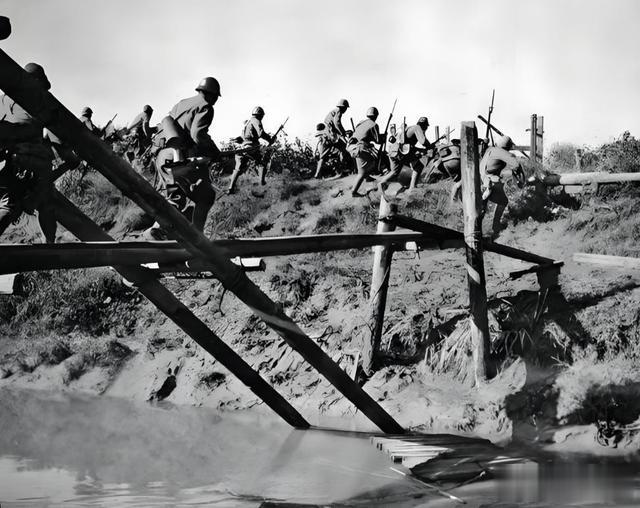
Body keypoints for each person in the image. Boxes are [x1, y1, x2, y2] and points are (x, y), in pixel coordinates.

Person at [147, 76, 221, 236]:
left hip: (163, 157)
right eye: (216, 97)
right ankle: (197, 238)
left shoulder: (182, 103)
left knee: (174, 196)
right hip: (178, 159)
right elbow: (198, 135)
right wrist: (214, 151)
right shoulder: (206, 106)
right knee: (206, 197)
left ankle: (157, 230)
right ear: (212, 94)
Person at [0, 63, 56, 243]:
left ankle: (50, 244)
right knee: (13, 204)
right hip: (23, 160)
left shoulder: (3, 99)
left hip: (4, 158)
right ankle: (50, 246)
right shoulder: (38, 100)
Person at [480, 135, 523, 239]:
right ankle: (495, 226)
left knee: (481, 207)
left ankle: (478, 230)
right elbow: (516, 165)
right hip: (488, 182)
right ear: (508, 146)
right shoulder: (503, 152)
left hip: (480, 180)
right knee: (503, 200)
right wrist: (519, 177)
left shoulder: (490, 149)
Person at [377, 116, 432, 192]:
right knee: (418, 166)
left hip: (393, 151)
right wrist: (430, 147)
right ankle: (412, 188)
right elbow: (423, 141)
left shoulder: (410, 128)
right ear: (425, 126)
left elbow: (409, 146)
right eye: (426, 126)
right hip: (401, 151)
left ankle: (381, 183)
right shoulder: (417, 128)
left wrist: (421, 150)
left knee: (394, 172)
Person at [227, 106, 274, 194]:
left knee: (238, 168)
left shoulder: (248, 122)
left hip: (242, 148)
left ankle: (230, 188)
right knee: (262, 162)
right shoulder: (256, 120)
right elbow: (261, 133)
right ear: (260, 115)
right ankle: (262, 184)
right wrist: (270, 139)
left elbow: (242, 137)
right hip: (251, 148)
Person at [347, 106, 382, 197]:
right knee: (371, 163)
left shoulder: (361, 122)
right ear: (376, 116)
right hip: (359, 148)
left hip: (351, 147)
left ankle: (367, 177)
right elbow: (378, 140)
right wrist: (383, 136)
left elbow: (364, 135)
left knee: (365, 165)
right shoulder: (374, 125)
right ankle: (354, 192)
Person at [315, 99, 351, 178]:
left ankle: (317, 174)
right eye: (345, 108)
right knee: (343, 149)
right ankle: (342, 170)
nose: (345, 110)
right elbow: (337, 123)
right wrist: (343, 133)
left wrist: (342, 132)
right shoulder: (338, 112)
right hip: (331, 136)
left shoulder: (333, 111)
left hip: (327, 135)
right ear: (343, 107)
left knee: (323, 156)